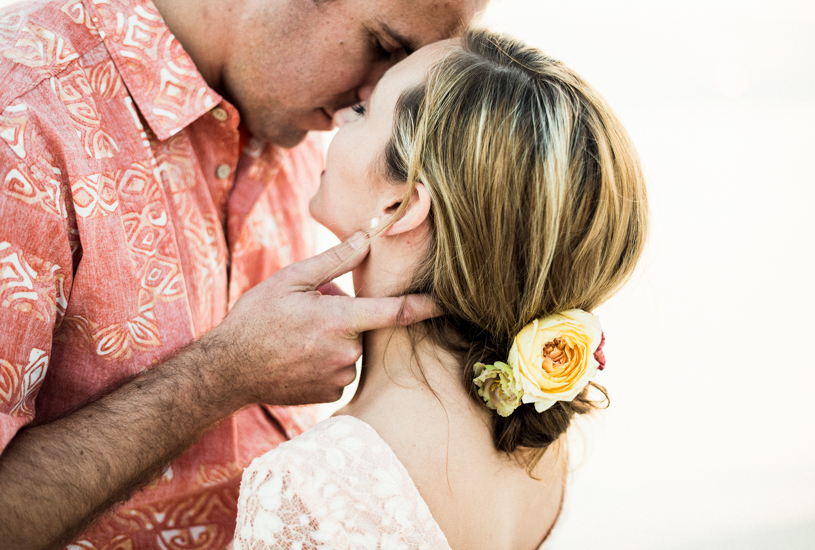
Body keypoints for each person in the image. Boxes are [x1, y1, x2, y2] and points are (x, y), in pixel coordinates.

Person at [0, 0, 486, 547]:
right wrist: (224, 376)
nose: (376, 95)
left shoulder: (302, 126)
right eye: (384, 46)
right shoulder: (21, 120)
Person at [233, 28, 649, 549]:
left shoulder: (314, 483)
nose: (341, 115)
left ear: (401, 206)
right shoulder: (539, 449)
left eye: (365, 112)